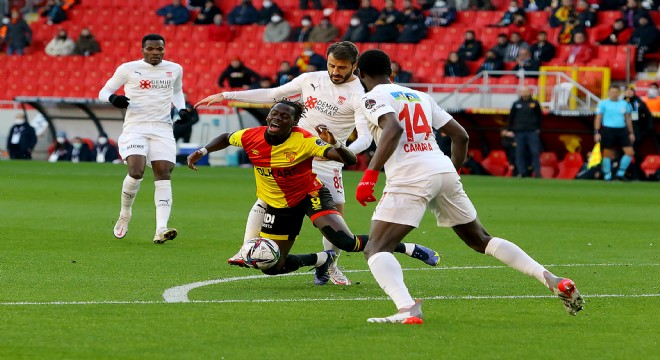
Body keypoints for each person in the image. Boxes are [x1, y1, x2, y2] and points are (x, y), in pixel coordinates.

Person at [353, 49, 584, 323]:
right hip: (441, 168)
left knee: (377, 248)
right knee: (480, 240)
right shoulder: (420, 96)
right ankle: (551, 278)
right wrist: (452, 172)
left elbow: (393, 129)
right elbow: (460, 136)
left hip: (410, 174)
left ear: (360, 74)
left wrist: (370, 175)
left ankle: (407, 309)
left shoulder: (371, 97)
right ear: (391, 71)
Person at [186, 100, 440, 281]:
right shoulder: (251, 136)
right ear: (267, 116)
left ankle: (406, 248)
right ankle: (322, 260)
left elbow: (349, 160)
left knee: (346, 242)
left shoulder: (305, 141)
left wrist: (336, 144)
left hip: (311, 196)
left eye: (284, 116)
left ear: (294, 122)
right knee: (272, 267)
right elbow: (225, 136)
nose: (277, 118)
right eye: (274, 113)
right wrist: (203, 151)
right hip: (279, 208)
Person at [194, 41, 374, 286]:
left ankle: (330, 265)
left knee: (336, 222)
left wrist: (340, 151)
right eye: (331, 65)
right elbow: (272, 94)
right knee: (267, 195)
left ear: (354, 66)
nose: (335, 72)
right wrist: (226, 95)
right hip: (293, 149)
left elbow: (365, 137)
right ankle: (246, 247)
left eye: (342, 68)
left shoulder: (359, 95)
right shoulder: (310, 78)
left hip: (326, 158)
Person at [98, 34, 190, 244]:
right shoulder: (128, 69)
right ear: (143, 50)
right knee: (136, 171)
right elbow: (104, 91)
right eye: (151, 49)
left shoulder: (174, 68)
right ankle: (125, 213)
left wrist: (182, 109)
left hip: (162, 128)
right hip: (135, 128)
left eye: (159, 49)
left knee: (163, 173)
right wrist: (114, 98)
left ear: (164, 49)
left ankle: (161, 229)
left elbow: (177, 91)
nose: (155, 53)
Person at [594, 86, 634, 181]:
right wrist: (596, 132)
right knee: (607, 153)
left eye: (616, 92)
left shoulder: (624, 103)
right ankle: (607, 174)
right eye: (612, 92)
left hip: (622, 130)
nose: (614, 94)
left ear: (619, 93)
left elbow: (628, 118)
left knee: (630, 152)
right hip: (608, 129)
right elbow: (598, 117)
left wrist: (631, 132)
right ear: (608, 93)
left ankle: (620, 173)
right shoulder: (603, 103)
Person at [505, 87, 543, 177]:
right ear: (520, 93)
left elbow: (539, 116)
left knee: (535, 151)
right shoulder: (516, 104)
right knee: (519, 152)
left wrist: (538, 128)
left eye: (526, 92)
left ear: (529, 92)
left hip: (532, 131)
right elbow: (511, 117)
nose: (524, 94)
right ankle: (522, 172)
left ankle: (537, 172)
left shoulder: (535, 103)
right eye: (522, 92)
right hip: (519, 132)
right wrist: (510, 129)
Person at [623, 85, 653, 178]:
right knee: (624, 153)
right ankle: (624, 173)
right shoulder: (621, 102)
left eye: (631, 91)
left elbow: (648, 116)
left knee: (634, 153)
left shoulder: (639, 102)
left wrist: (648, 128)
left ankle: (636, 174)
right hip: (623, 131)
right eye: (627, 90)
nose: (629, 92)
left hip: (637, 132)